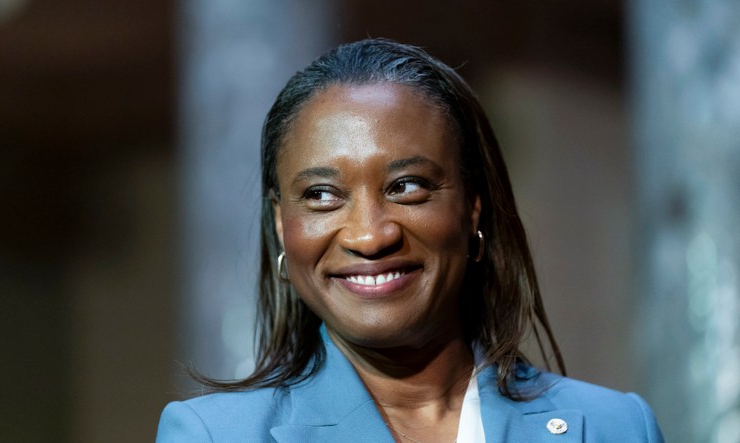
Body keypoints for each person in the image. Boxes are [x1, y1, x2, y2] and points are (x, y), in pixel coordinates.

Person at [157, 39, 664, 442]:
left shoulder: (614, 428)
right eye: (321, 194)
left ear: (471, 208)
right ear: (279, 222)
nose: (370, 235)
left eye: (407, 187)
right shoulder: (217, 435)